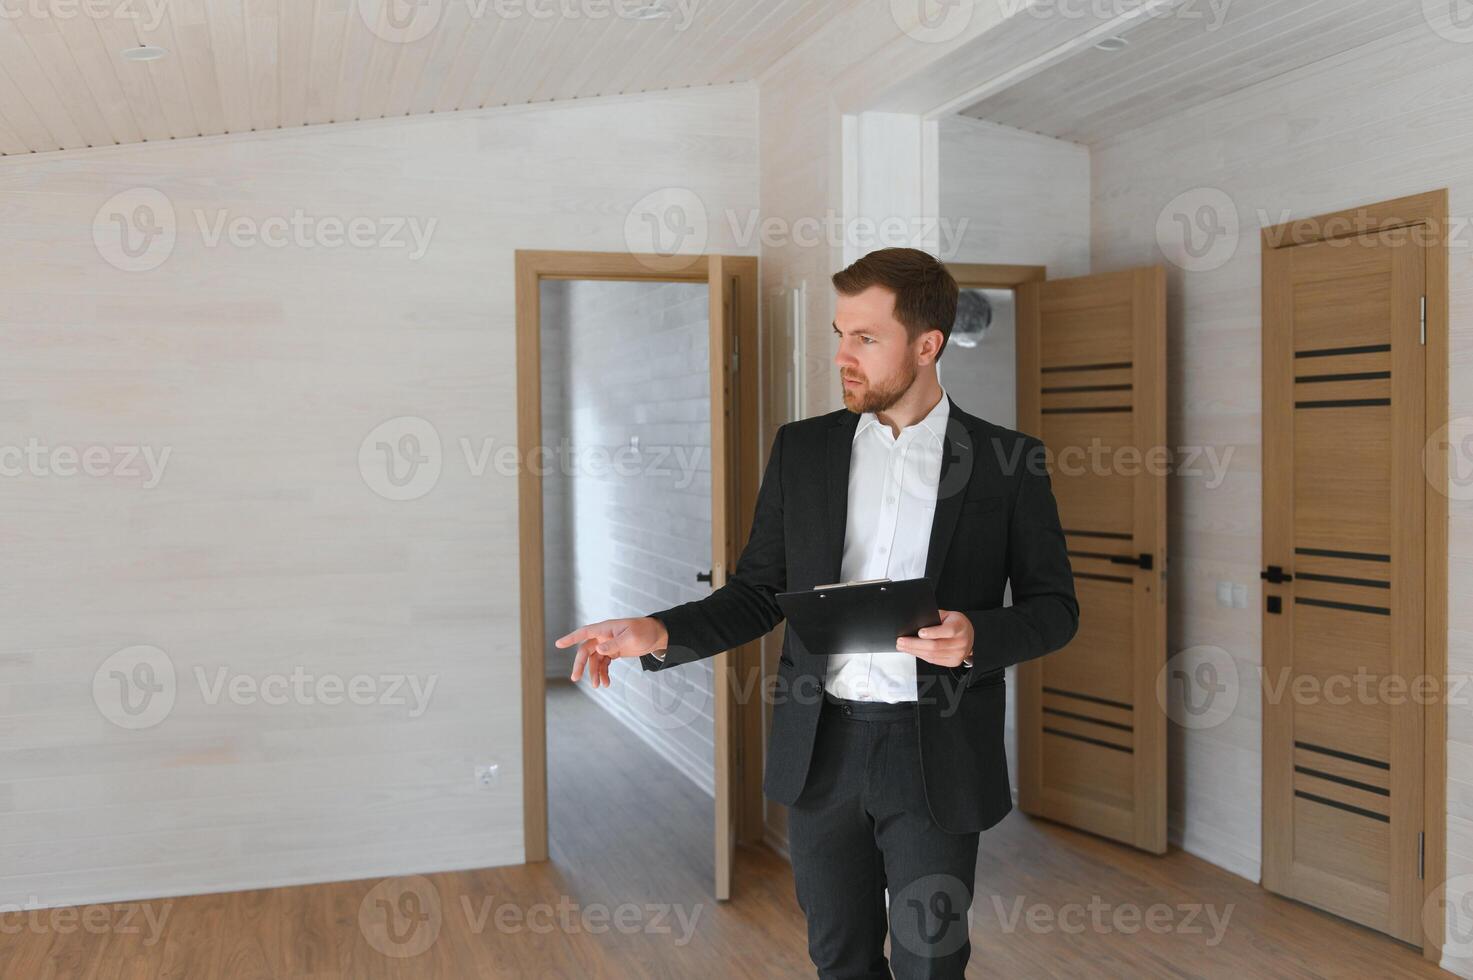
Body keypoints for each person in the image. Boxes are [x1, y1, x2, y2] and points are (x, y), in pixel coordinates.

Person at [556, 246, 1079, 979]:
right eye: (839, 334)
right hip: (821, 751)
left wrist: (975, 637)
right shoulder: (802, 451)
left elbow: (1055, 610)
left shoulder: (1007, 461)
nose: (842, 356)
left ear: (927, 346)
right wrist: (658, 631)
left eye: (865, 338)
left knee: (933, 962)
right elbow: (757, 593)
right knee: (838, 958)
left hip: (937, 757)